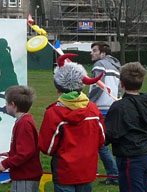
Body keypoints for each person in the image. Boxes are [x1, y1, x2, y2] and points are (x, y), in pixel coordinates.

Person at [38, 54, 105, 192]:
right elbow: (101, 139)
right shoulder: (93, 109)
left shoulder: (53, 113)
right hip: (87, 170)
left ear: (58, 89)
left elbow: (47, 147)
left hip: (64, 171)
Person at [105, 62, 147, 192]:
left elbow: (110, 134)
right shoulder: (146, 102)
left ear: (121, 84)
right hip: (146, 155)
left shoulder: (121, 107)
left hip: (131, 157)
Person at [0, 85, 42, 192]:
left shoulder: (24, 123)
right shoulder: (23, 120)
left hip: (26, 175)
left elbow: (25, 153)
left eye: (6, 102)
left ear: (13, 104)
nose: (5, 105)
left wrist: (5, 163)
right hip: (23, 174)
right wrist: (10, 154)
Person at [89, 42, 122, 185]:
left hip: (99, 108)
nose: (91, 53)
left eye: (94, 50)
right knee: (102, 143)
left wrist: (87, 102)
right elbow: (119, 89)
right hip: (112, 108)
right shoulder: (116, 67)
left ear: (103, 54)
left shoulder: (99, 65)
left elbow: (97, 85)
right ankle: (106, 173)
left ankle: (112, 174)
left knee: (98, 143)